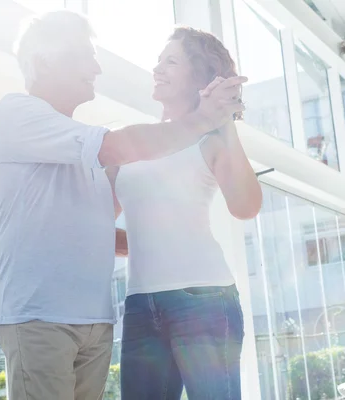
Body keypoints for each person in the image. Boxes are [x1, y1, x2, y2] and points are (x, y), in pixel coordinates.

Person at [0, 11, 245, 400]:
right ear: (44, 61)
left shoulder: (80, 147)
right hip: (39, 319)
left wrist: (156, 239)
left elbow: (91, 229)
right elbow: (120, 145)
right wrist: (206, 118)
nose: (96, 67)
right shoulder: (18, 113)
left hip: (95, 323)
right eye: (84, 55)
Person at [110, 27, 262, 399]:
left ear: (199, 77)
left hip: (203, 299)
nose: (157, 68)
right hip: (140, 303)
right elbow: (98, 223)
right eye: (159, 60)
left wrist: (222, 120)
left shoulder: (210, 140)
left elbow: (245, 206)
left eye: (171, 61)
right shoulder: (135, 141)